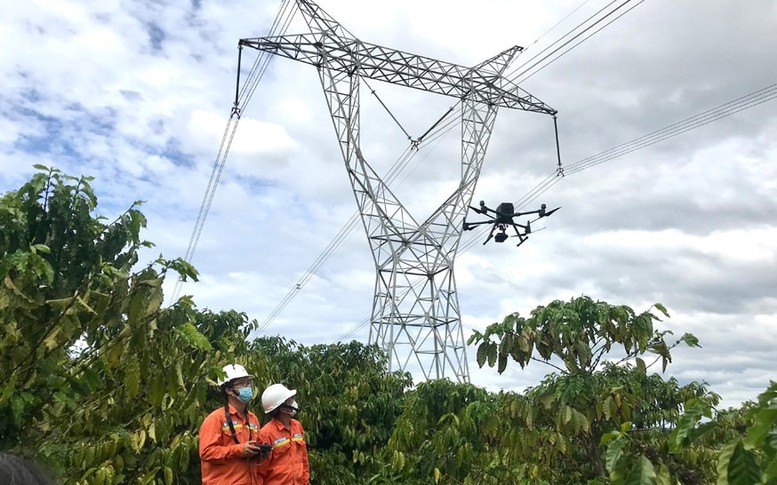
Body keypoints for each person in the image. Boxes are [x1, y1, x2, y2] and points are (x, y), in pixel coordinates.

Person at [199, 364, 269, 484]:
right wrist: (239, 450)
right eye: (242, 383)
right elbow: (206, 452)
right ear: (228, 390)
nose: (247, 387)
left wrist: (259, 451)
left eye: (248, 383)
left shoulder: (253, 419)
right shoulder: (215, 419)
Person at [255, 383, 310, 484]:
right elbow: (260, 470)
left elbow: (304, 459)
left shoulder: (297, 426)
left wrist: (305, 481)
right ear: (282, 407)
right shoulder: (266, 434)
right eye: (289, 400)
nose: (293, 402)